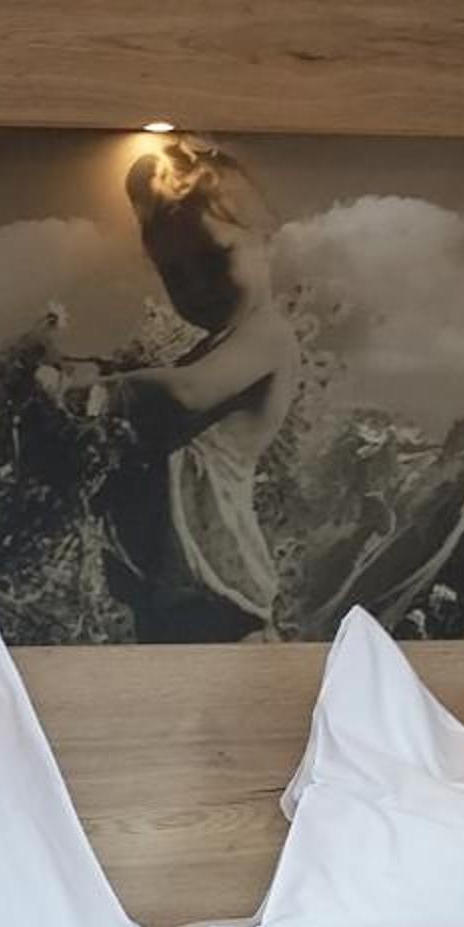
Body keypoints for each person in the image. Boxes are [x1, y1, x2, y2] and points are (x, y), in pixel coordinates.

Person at [90, 138, 299, 641]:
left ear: (266, 240)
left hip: (225, 599)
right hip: (172, 591)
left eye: (214, 258)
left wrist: (101, 393)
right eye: (175, 274)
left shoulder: (267, 335)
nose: (198, 285)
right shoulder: (209, 350)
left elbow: (188, 392)